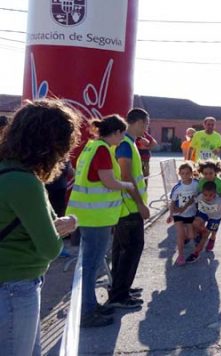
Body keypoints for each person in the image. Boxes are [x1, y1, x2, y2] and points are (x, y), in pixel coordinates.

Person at [0, 100, 81, 352]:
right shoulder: (25, 182)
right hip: (15, 286)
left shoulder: (6, 171)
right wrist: (66, 227)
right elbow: (50, 248)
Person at [66, 115, 135, 328]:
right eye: (122, 134)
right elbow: (109, 181)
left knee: (90, 265)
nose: (122, 139)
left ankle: (90, 305)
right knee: (91, 266)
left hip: (87, 215)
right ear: (116, 132)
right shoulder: (103, 150)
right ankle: (87, 312)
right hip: (96, 218)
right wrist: (127, 185)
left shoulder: (91, 146)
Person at [107, 109, 152, 311]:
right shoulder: (125, 144)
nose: (146, 128)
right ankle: (119, 294)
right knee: (130, 250)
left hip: (126, 207)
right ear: (139, 122)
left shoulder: (128, 142)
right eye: (146, 124)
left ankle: (120, 287)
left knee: (122, 250)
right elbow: (126, 175)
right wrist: (141, 204)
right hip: (129, 208)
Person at [186, 181, 221, 264]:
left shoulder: (219, 200)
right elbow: (192, 200)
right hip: (204, 212)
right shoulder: (200, 196)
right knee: (195, 223)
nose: (208, 197)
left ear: (215, 194)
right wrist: (183, 208)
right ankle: (201, 233)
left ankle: (196, 253)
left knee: (205, 235)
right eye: (205, 195)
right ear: (202, 193)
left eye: (211, 195)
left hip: (215, 217)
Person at [167, 163, 198, 266]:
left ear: (191, 173)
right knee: (180, 235)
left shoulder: (196, 184)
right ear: (179, 174)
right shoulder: (177, 187)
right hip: (178, 213)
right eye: (182, 173)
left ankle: (192, 238)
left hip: (191, 213)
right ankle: (180, 256)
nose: (185, 176)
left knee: (191, 235)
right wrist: (170, 215)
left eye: (187, 173)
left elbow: (199, 196)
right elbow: (172, 202)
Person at [195, 160, 221, 252]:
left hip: (216, 210)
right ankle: (201, 233)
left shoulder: (220, 182)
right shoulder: (202, 181)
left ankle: (213, 238)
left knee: (213, 228)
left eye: (211, 173)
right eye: (205, 174)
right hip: (203, 207)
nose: (208, 176)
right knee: (198, 223)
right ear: (202, 173)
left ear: (215, 172)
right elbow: (199, 193)